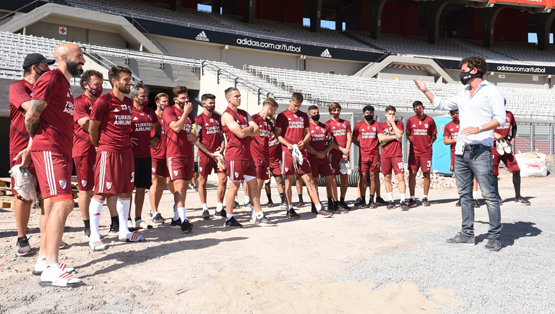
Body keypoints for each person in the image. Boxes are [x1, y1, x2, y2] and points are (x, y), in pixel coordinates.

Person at [414, 55, 505, 251]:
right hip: (462, 151)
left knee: (489, 195)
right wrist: (426, 91)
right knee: (464, 194)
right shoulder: (463, 93)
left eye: (464, 69)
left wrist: (479, 129)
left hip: (481, 151)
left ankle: (495, 236)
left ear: (474, 70)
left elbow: (501, 119)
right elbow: (442, 104)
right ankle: (467, 234)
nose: (461, 73)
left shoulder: (492, 91)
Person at [18, 44, 85, 287]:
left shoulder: (65, 84)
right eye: (79, 57)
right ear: (64, 58)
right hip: (50, 149)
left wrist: (31, 145)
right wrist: (34, 144)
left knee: (49, 205)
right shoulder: (51, 77)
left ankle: (43, 260)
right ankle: (52, 269)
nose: (83, 61)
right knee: (64, 203)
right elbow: (31, 114)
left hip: (58, 150)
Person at [88, 66, 145, 251]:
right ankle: (95, 236)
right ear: (114, 81)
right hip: (108, 152)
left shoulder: (129, 102)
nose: (130, 83)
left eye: (130, 79)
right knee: (101, 193)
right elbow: (92, 128)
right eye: (126, 79)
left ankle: (124, 231)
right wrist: (100, 145)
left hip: (127, 152)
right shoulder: (103, 101)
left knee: (127, 191)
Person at [9, 53, 54, 257]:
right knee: (24, 194)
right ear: (35, 68)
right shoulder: (18, 87)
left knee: (47, 194)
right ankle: (21, 237)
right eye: (46, 66)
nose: (49, 70)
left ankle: (48, 235)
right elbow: (32, 111)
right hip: (21, 148)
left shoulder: (44, 89)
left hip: (42, 145)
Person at [220, 87, 276, 227]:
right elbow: (240, 134)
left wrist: (247, 130)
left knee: (254, 185)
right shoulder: (227, 115)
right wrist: (248, 129)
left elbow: (256, 132)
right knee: (234, 186)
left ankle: (258, 215)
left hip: (247, 155)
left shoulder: (245, 113)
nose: (239, 98)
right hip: (235, 155)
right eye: (236, 96)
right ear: (228, 98)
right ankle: (229, 217)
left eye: (239, 96)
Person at [73, 69, 119, 238]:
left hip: (105, 149)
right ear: (85, 85)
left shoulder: (105, 101)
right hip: (85, 150)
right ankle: (87, 225)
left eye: (101, 84)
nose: (100, 87)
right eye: (96, 85)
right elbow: (86, 124)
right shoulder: (79, 102)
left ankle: (115, 222)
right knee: (86, 188)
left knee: (110, 186)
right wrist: (110, 132)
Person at [164, 86, 215, 233]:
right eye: (182, 98)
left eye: (187, 98)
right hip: (175, 154)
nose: (186, 101)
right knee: (179, 187)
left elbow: (194, 135)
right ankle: (184, 220)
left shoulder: (191, 117)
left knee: (184, 187)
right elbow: (175, 127)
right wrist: (185, 113)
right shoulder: (170, 110)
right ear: (175, 99)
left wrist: (195, 138)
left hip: (188, 155)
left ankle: (175, 219)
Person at [275, 92, 333, 218]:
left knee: (310, 180)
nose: (297, 108)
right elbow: (278, 135)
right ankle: (289, 208)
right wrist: (287, 144)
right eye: (295, 105)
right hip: (288, 152)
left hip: (301, 152)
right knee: (289, 181)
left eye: (299, 106)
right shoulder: (282, 115)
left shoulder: (303, 116)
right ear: (290, 101)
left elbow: (308, 133)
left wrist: (304, 141)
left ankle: (318, 207)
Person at [129, 82, 160, 229]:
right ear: (134, 96)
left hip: (145, 155)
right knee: (128, 189)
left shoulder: (149, 111)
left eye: (147, 96)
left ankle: (137, 218)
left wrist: (156, 137)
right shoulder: (128, 111)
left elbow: (157, 125)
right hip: (130, 156)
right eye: (142, 96)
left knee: (141, 188)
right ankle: (126, 218)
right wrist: (126, 138)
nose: (145, 99)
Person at [195, 93, 228, 220]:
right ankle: (205, 208)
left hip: (218, 155)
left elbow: (221, 136)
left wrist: (222, 145)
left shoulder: (218, 118)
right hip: (205, 154)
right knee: (202, 181)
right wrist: (208, 152)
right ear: (203, 104)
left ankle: (219, 208)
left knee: (223, 179)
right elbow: (195, 140)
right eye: (210, 103)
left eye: (214, 103)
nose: (212, 105)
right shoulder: (198, 119)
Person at [492, 100, 530, 206]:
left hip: (506, 146)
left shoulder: (509, 114)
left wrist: (513, 138)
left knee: (516, 170)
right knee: (494, 172)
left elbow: (514, 126)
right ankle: (496, 197)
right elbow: (483, 128)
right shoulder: (490, 115)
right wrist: (494, 133)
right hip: (494, 147)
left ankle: (518, 197)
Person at [305, 105, 342, 213]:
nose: (316, 114)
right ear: (309, 115)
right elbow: (306, 145)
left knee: (331, 180)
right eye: (314, 113)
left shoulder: (324, 126)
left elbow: (330, 142)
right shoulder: (307, 127)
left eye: (317, 112)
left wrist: (325, 152)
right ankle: (315, 204)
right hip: (312, 158)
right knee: (313, 181)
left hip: (324, 158)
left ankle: (335, 203)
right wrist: (317, 153)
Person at [444, 110, 481, 208]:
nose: (456, 115)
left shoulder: (467, 123)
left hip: (469, 151)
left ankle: (474, 197)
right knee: (460, 176)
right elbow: (445, 141)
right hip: (455, 153)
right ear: (451, 115)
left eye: (457, 113)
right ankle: (462, 197)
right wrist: (455, 140)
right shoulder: (448, 126)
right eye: (453, 114)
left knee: (473, 174)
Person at [249, 97, 279, 218]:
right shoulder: (254, 118)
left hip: (265, 158)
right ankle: (255, 212)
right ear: (270, 107)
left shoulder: (268, 123)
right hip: (255, 156)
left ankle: (255, 212)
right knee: (254, 186)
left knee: (260, 186)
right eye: (275, 110)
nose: (275, 113)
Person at [148, 93, 175, 225]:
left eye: (167, 101)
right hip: (154, 154)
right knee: (155, 182)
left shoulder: (168, 116)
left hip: (167, 153)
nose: (166, 103)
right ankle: (154, 212)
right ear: (157, 102)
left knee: (163, 183)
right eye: (164, 101)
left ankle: (155, 210)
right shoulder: (152, 116)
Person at [352, 105, 385, 209]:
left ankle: (371, 200)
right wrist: (361, 146)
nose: (369, 115)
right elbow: (353, 138)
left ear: (373, 114)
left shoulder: (378, 125)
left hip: (374, 155)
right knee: (362, 177)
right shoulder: (358, 125)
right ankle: (362, 199)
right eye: (367, 113)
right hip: (363, 156)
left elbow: (382, 139)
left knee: (373, 177)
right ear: (363, 114)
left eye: (371, 113)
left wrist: (375, 146)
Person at [406, 101, 437, 207]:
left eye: (420, 108)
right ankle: (412, 197)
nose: (418, 110)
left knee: (426, 174)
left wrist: (426, 144)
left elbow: (434, 136)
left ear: (423, 107)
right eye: (416, 109)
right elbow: (408, 134)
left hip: (426, 152)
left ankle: (425, 197)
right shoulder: (411, 120)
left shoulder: (430, 120)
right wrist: (415, 142)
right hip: (414, 153)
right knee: (412, 174)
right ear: (414, 110)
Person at [377, 106, 408, 210]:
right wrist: (394, 137)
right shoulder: (381, 125)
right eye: (390, 114)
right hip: (386, 155)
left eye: (393, 114)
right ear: (385, 114)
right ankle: (390, 200)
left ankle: (403, 200)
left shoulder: (399, 124)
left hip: (397, 154)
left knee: (400, 178)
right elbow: (381, 138)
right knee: (387, 178)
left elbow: (400, 134)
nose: (391, 116)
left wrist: (393, 123)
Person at [325, 102, 352, 210]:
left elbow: (349, 137)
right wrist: (341, 149)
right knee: (331, 179)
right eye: (334, 110)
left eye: (338, 110)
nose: (336, 112)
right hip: (333, 154)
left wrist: (346, 151)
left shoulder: (345, 122)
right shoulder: (327, 124)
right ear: (330, 111)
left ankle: (342, 200)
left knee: (345, 178)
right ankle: (331, 201)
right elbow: (330, 142)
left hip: (344, 155)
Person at [268, 117, 287, 207]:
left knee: (279, 181)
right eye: (272, 124)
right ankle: (269, 200)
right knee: (267, 182)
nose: (274, 125)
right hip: (266, 163)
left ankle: (283, 200)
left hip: (275, 162)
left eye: (275, 124)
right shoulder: (265, 136)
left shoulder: (279, 136)